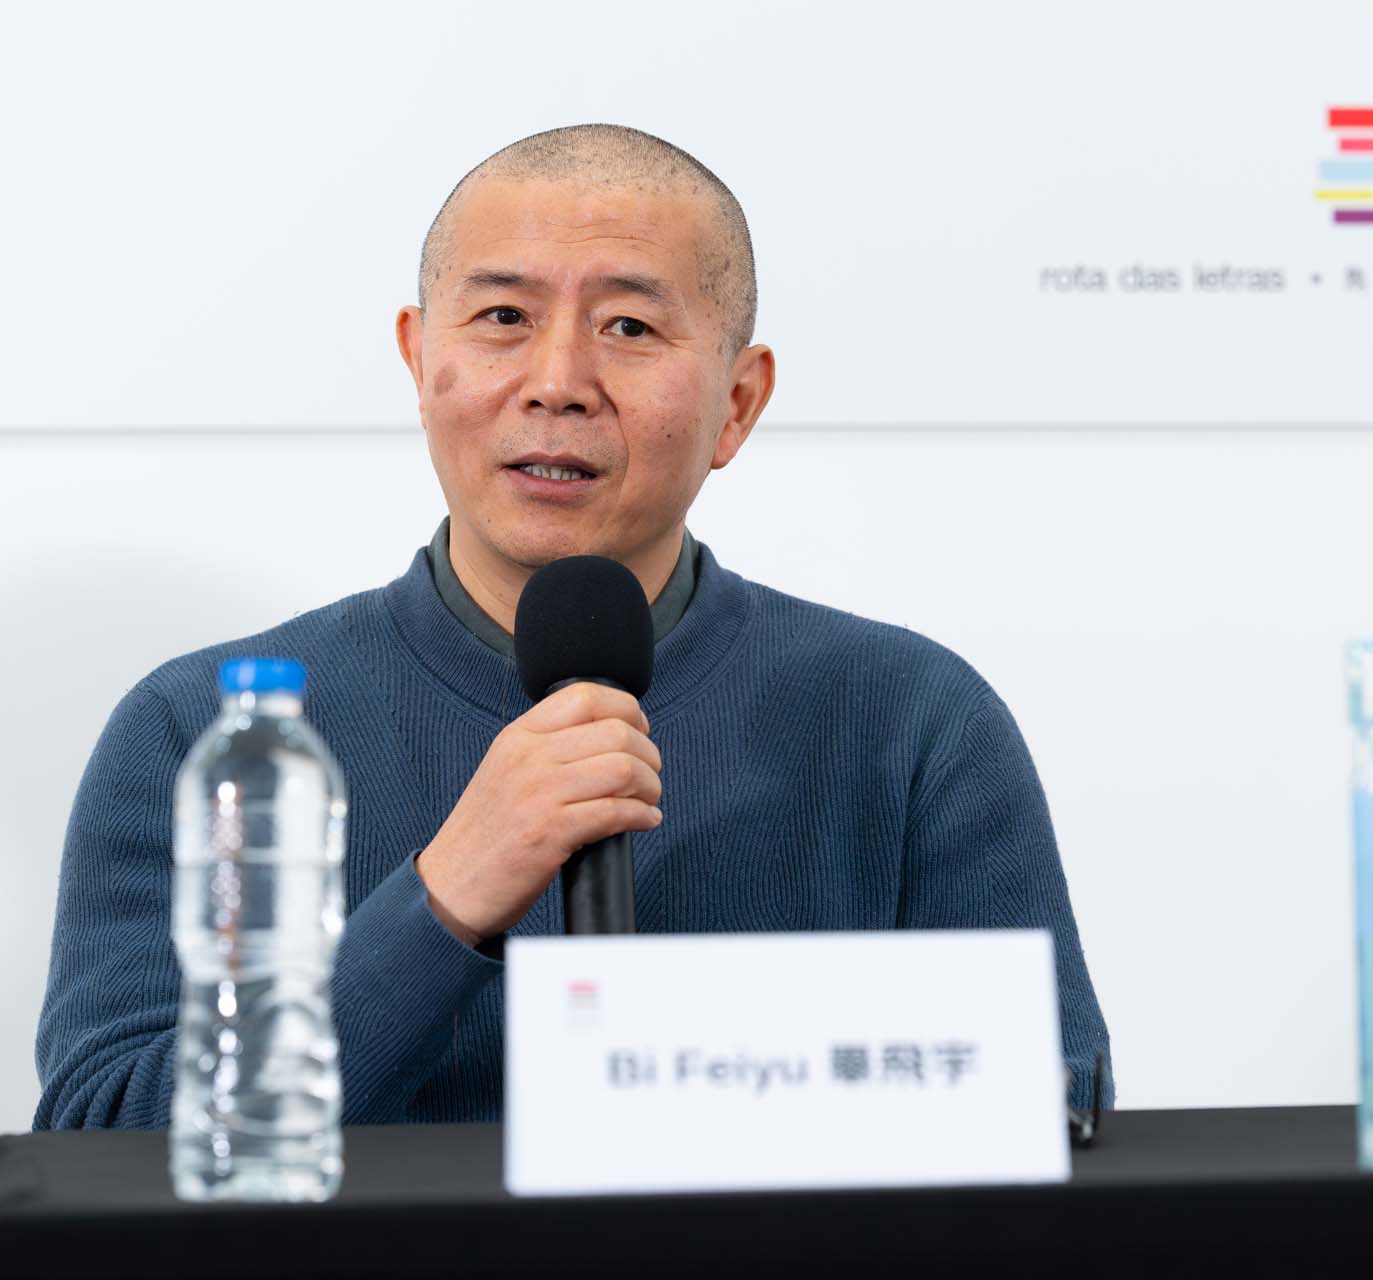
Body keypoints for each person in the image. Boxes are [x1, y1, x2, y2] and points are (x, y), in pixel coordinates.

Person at [34, 124, 1112, 1128]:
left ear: (738, 403)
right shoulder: (211, 729)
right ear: (418, 359)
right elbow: (106, 1134)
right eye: (504, 317)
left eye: (629, 327)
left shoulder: (909, 718)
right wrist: (445, 896)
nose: (556, 384)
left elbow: (1049, 1113)